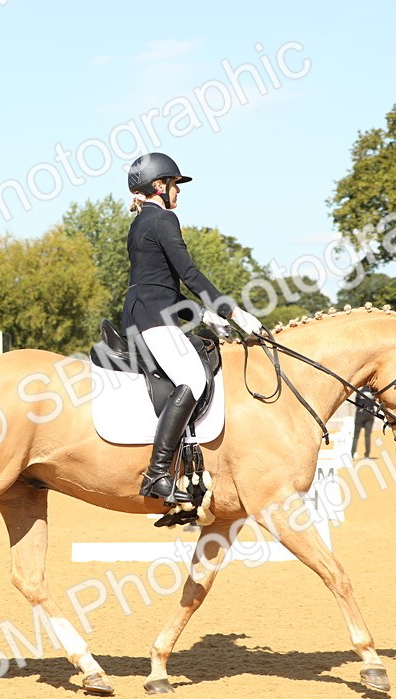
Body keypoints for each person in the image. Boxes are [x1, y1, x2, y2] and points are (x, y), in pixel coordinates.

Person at [123, 152, 262, 504]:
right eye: (174, 185)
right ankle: (157, 473)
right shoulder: (163, 220)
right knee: (194, 379)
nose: (178, 192)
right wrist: (233, 312)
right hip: (151, 320)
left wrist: (202, 314)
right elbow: (190, 274)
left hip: (148, 313)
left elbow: (160, 285)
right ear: (158, 186)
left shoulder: (142, 222)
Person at [350, 387, 377, 460]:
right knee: (367, 436)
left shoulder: (360, 392)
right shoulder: (372, 393)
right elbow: (374, 402)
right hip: (370, 415)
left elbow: (356, 402)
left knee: (356, 436)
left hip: (360, 415)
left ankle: (352, 453)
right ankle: (367, 455)